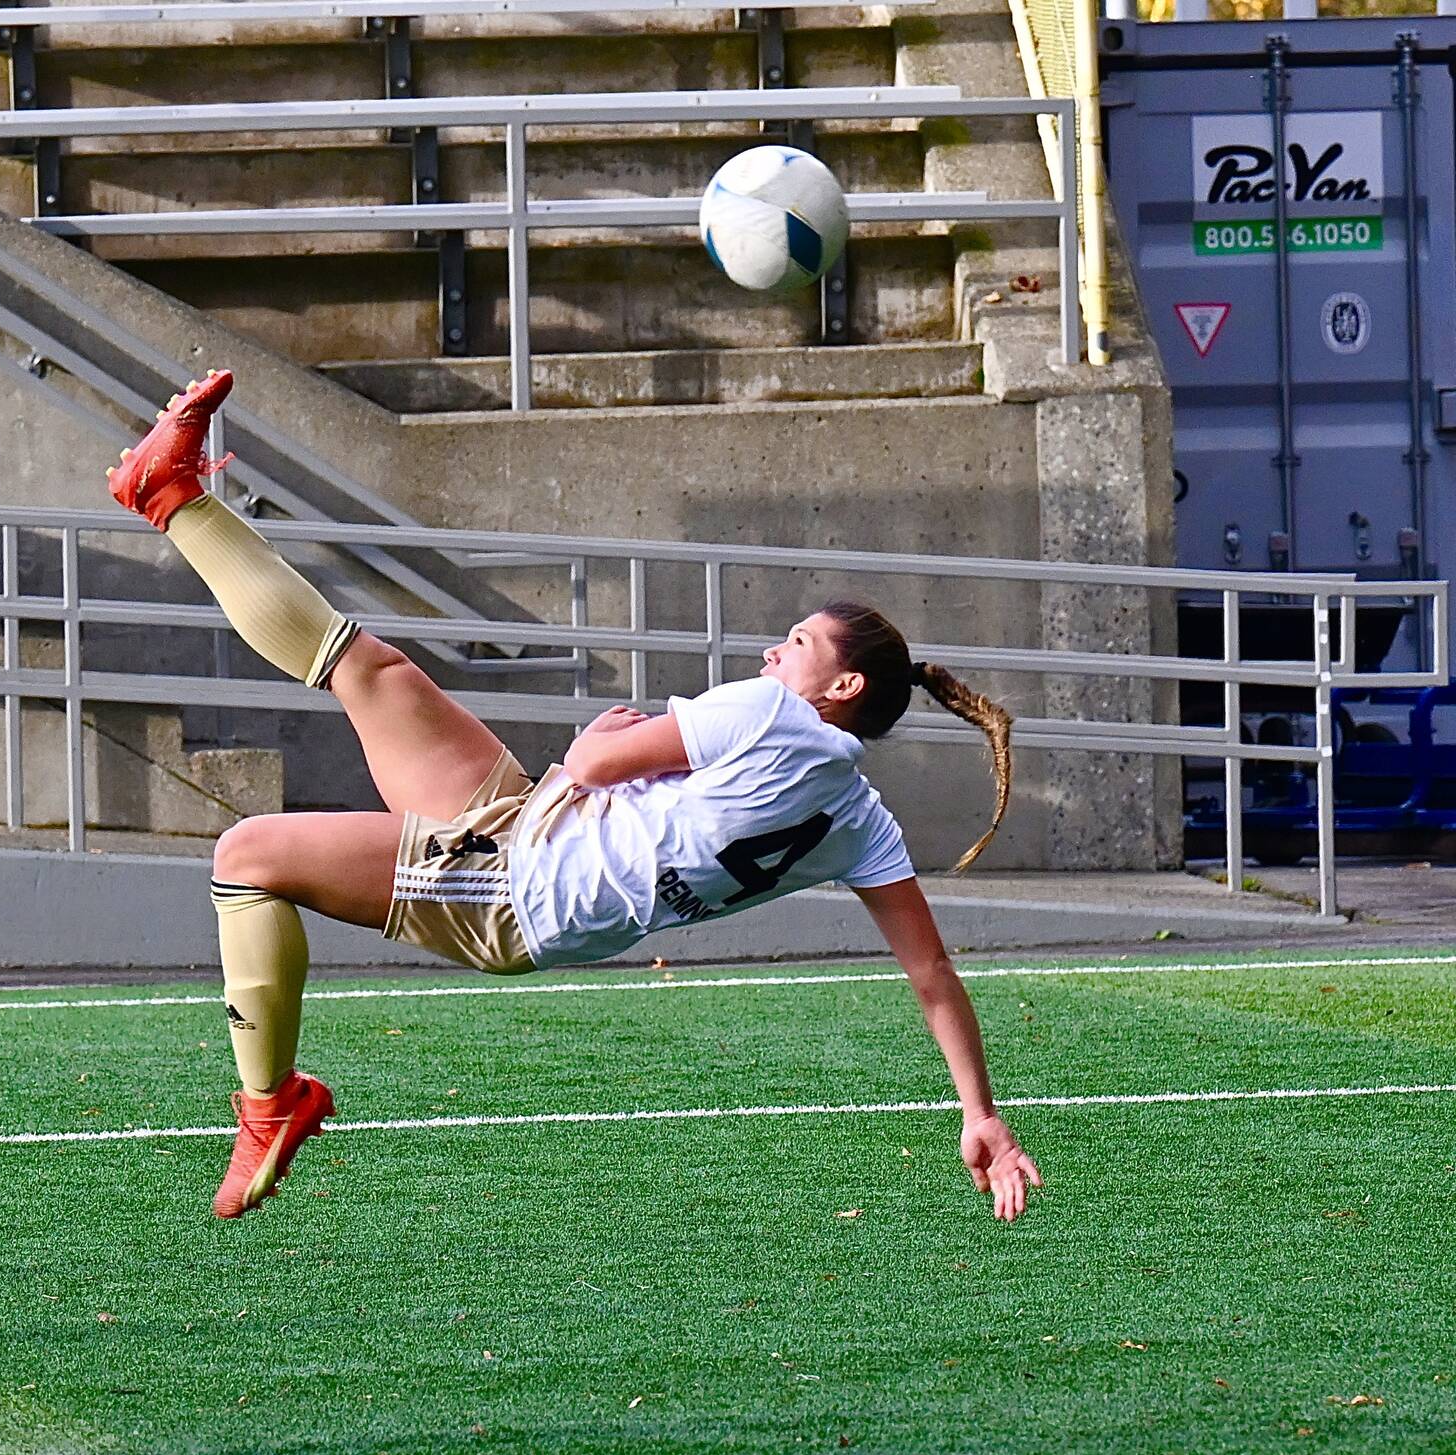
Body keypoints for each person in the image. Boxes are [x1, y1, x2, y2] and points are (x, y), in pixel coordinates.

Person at [109, 369, 1043, 1225]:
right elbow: (931, 977)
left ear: (839, 689)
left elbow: (602, 764)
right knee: (368, 668)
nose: (772, 652)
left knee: (246, 858)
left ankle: (270, 1108)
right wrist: (981, 1113)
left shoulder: (771, 715)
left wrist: (595, 743)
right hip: (534, 826)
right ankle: (172, 493)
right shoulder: (862, 821)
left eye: (796, 642)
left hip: (520, 891)